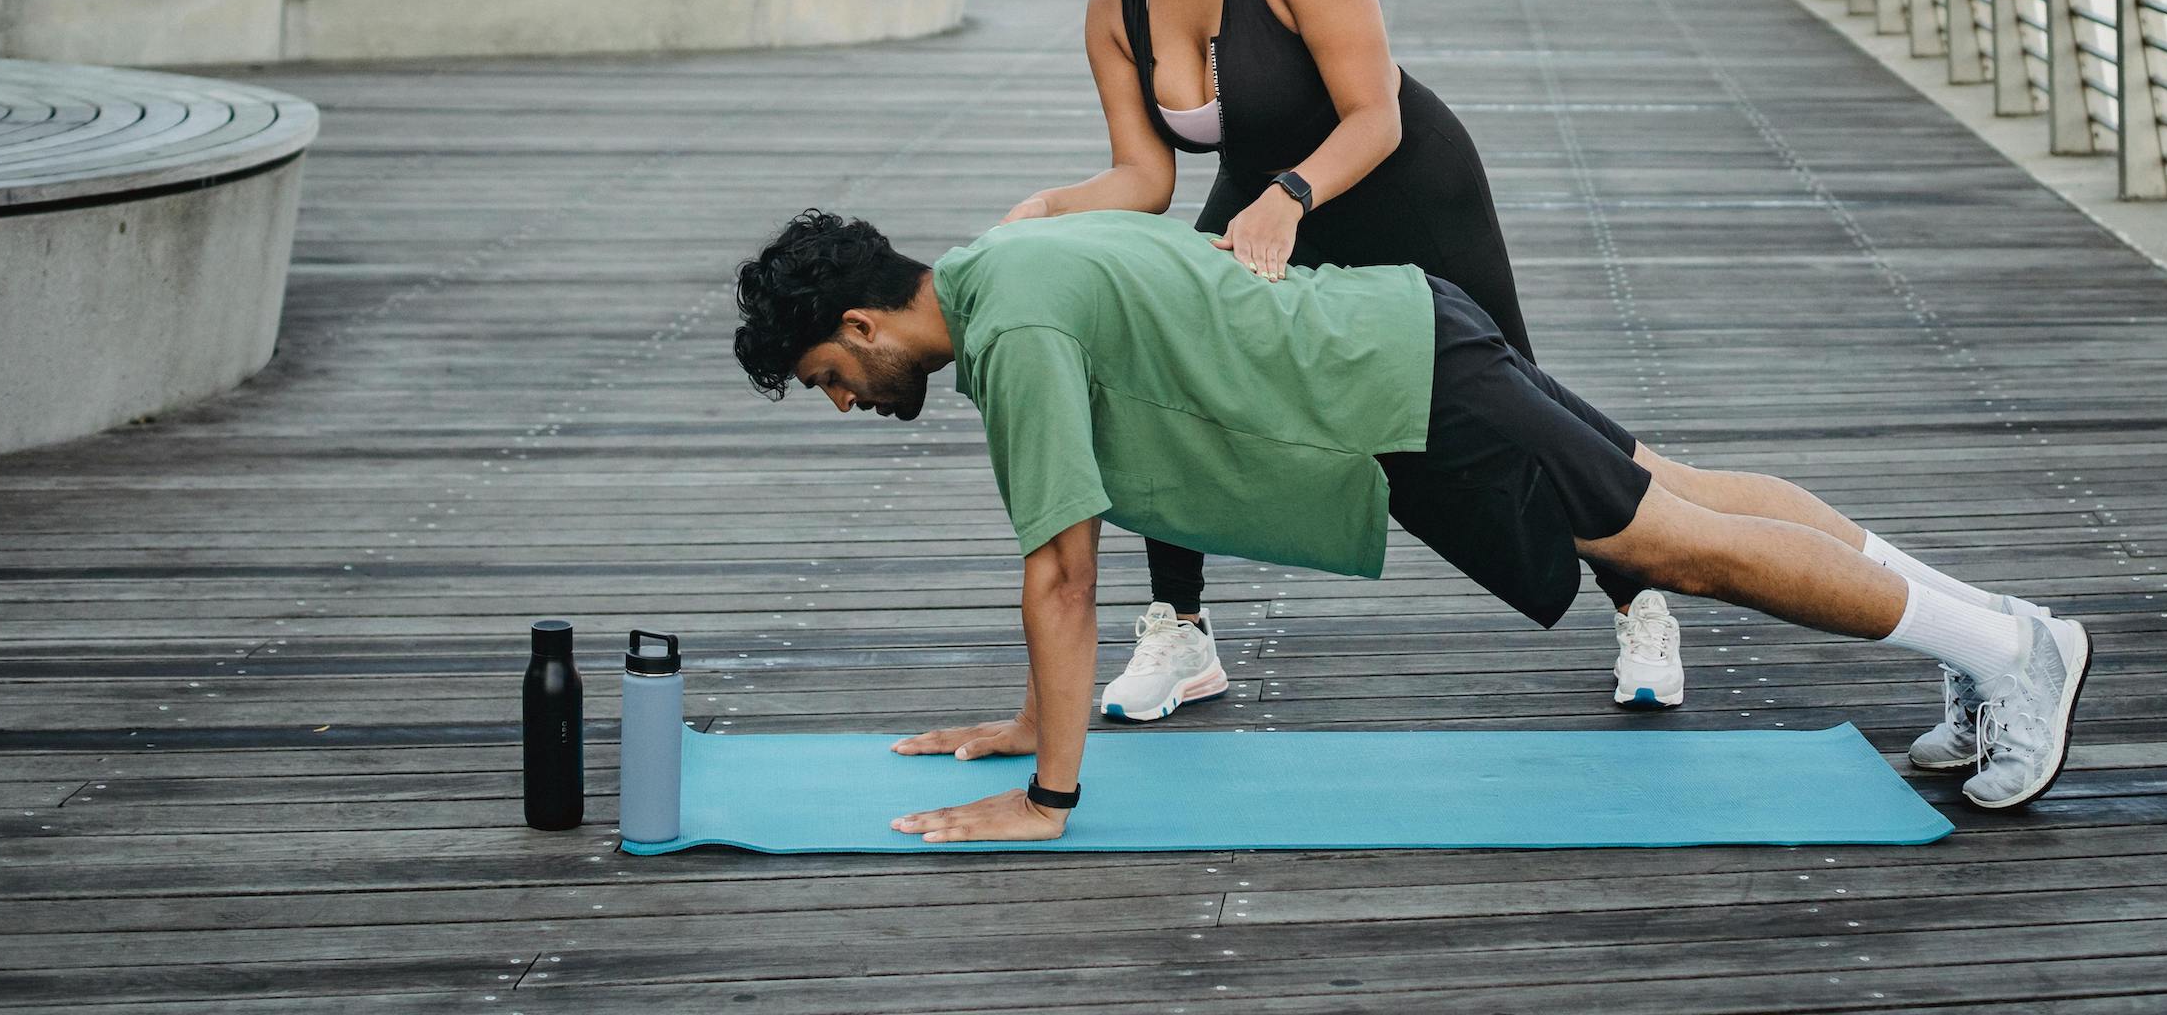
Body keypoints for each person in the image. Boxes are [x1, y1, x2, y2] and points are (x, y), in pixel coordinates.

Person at [732, 210, 2093, 843]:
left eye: (829, 383)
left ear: (859, 325)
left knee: (1669, 543)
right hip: (1402, 336)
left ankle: (2014, 651)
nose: (847, 405)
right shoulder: (996, 267)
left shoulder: (1008, 327)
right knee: (1678, 493)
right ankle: (1991, 645)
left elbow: (1063, 571)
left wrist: (1048, 792)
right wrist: (1036, 713)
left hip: (1399, 387)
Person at [1011, 0, 1681, 720]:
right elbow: (1143, 180)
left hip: (1404, 182)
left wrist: (1289, 196)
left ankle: (1638, 596)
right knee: (1167, 367)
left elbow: (1378, 114)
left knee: (1518, 397)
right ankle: (1180, 629)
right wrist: (1048, 209)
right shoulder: (1113, 11)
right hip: (1267, 197)